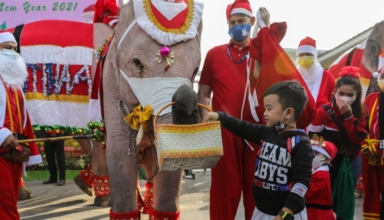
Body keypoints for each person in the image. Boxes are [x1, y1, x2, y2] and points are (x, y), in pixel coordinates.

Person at [198, 1, 316, 219]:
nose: (236, 26)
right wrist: (206, 118)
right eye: (232, 22)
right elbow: (203, 91)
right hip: (225, 133)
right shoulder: (214, 54)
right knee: (224, 192)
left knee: (261, 191)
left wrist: (265, 43)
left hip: (262, 133)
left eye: (241, 22)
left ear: (252, 22)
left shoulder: (262, 53)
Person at [203, 80, 314, 220]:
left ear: (289, 112)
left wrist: (285, 213)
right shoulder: (267, 132)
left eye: (269, 108)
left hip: (286, 215)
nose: (265, 113)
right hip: (261, 212)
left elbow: (301, 183)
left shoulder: (300, 144)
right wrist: (220, 117)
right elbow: (243, 127)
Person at [308, 66, 367, 219]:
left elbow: (359, 139)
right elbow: (313, 137)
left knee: (345, 198)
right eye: (341, 93)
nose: (345, 98)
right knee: (327, 198)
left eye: (350, 95)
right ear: (334, 92)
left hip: (351, 160)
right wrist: (328, 150)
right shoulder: (323, 112)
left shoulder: (362, 112)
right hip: (327, 160)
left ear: (357, 95)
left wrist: (349, 118)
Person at [0, 32, 42, 219]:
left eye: (15, 49)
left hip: (14, 152)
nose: (13, 53)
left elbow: (25, 122)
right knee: (6, 206)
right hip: (1, 150)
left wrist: (31, 153)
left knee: (11, 201)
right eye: (7, 48)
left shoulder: (15, 85)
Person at [360, 66, 384, 220]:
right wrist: (364, 144)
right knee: (371, 196)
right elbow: (361, 125)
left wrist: (377, 147)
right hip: (370, 156)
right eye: (382, 76)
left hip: (377, 151)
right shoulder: (371, 98)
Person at [296, 36, 335, 109]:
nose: (304, 58)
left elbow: (334, 103)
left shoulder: (327, 78)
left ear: (314, 56)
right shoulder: (292, 77)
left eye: (308, 54)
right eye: (301, 55)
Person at [305, 135, 337, 220]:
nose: (312, 155)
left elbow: (309, 193)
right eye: (312, 152)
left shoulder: (321, 174)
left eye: (316, 153)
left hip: (318, 213)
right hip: (312, 211)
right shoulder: (315, 171)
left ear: (327, 159)